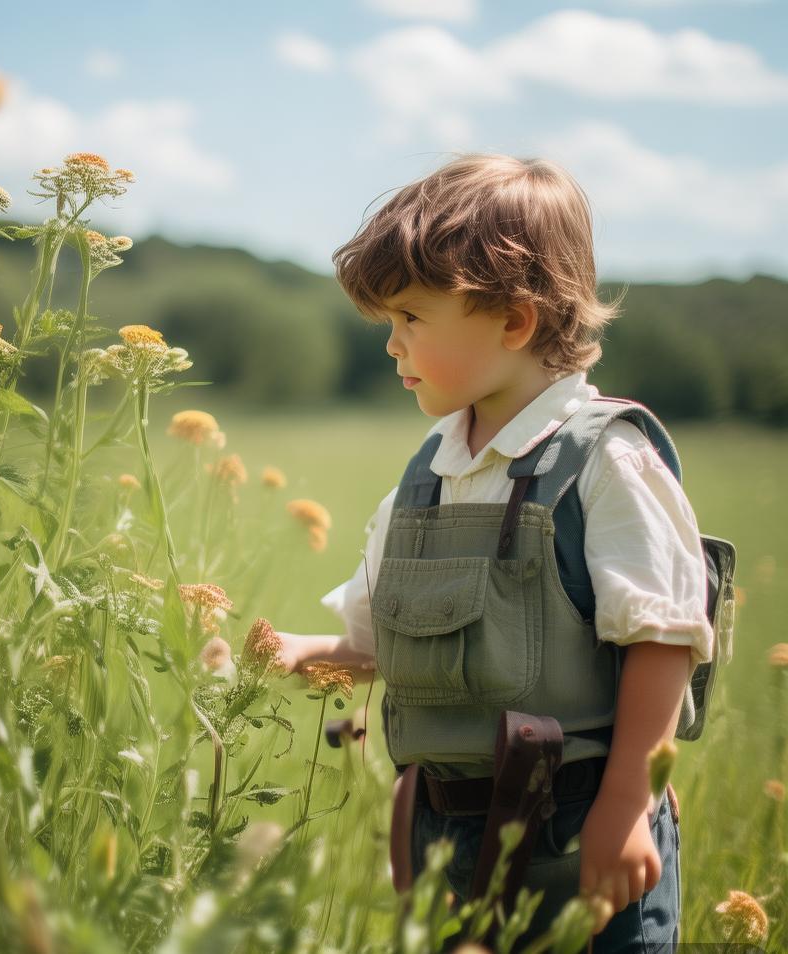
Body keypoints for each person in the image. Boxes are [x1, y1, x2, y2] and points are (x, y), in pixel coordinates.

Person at [273, 153, 713, 951]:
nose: (392, 346)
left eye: (411, 317)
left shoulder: (605, 463)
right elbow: (380, 647)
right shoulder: (425, 479)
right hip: (445, 847)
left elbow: (663, 641)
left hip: (583, 836)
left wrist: (622, 808)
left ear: (514, 321)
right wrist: (294, 650)